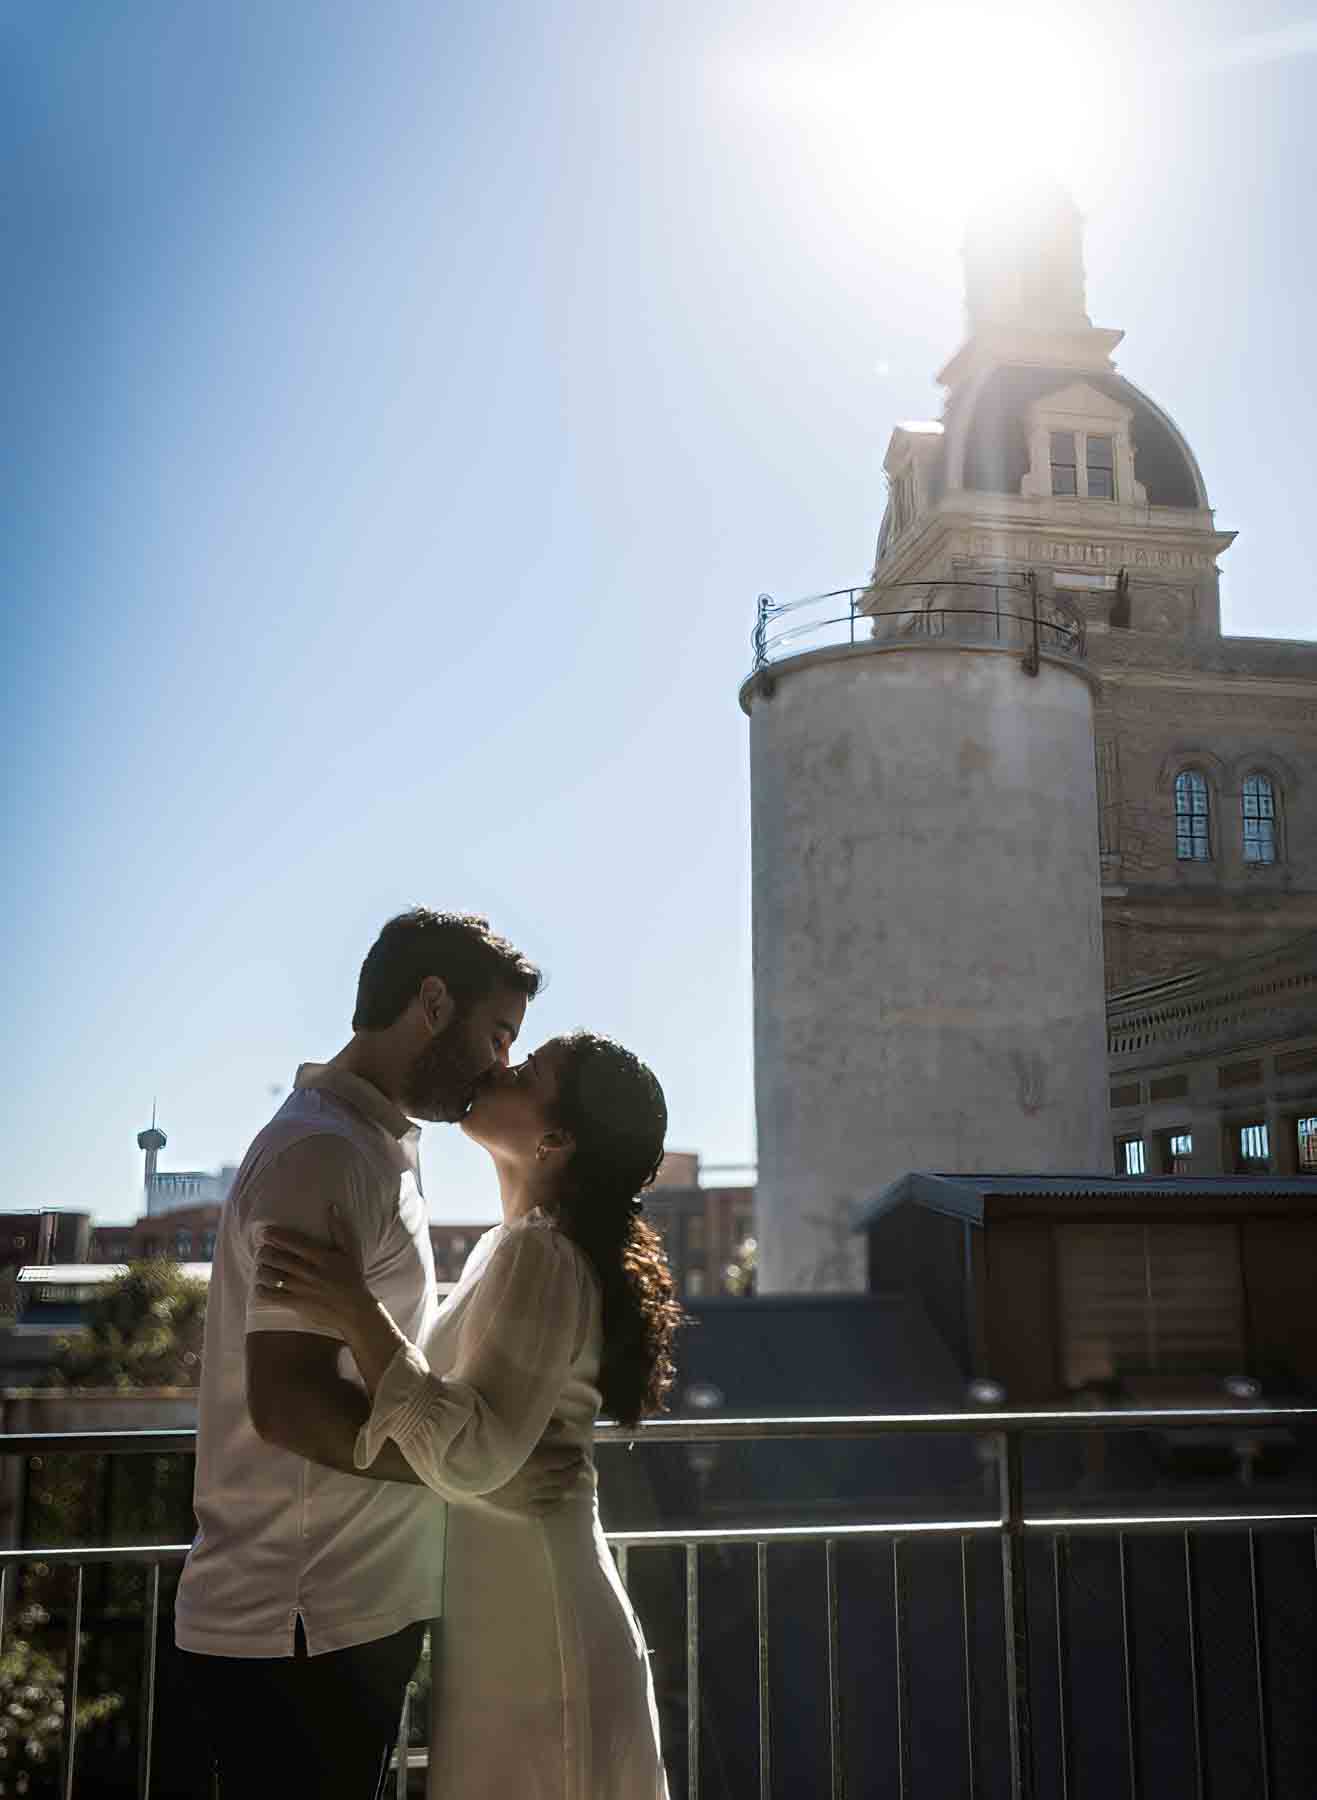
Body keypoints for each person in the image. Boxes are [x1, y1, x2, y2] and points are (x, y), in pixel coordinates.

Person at [174, 909, 572, 1800]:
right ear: (432, 1002)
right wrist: (472, 1476)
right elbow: (287, 1405)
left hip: (346, 1608)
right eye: (497, 1033)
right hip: (302, 1616)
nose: (503, 1062)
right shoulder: (323, 1153)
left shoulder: (379, 1146)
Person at [256, 1029, 683, 1799]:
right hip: (512, 1613)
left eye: (526, 1071)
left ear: (554, 1138)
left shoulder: (541, 1255)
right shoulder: (510, 1247)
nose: (496, 1069)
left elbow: (473, 1452)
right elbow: (489, 1456)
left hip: (537, 1630)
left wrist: (356, 1310)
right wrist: (493, 1478)